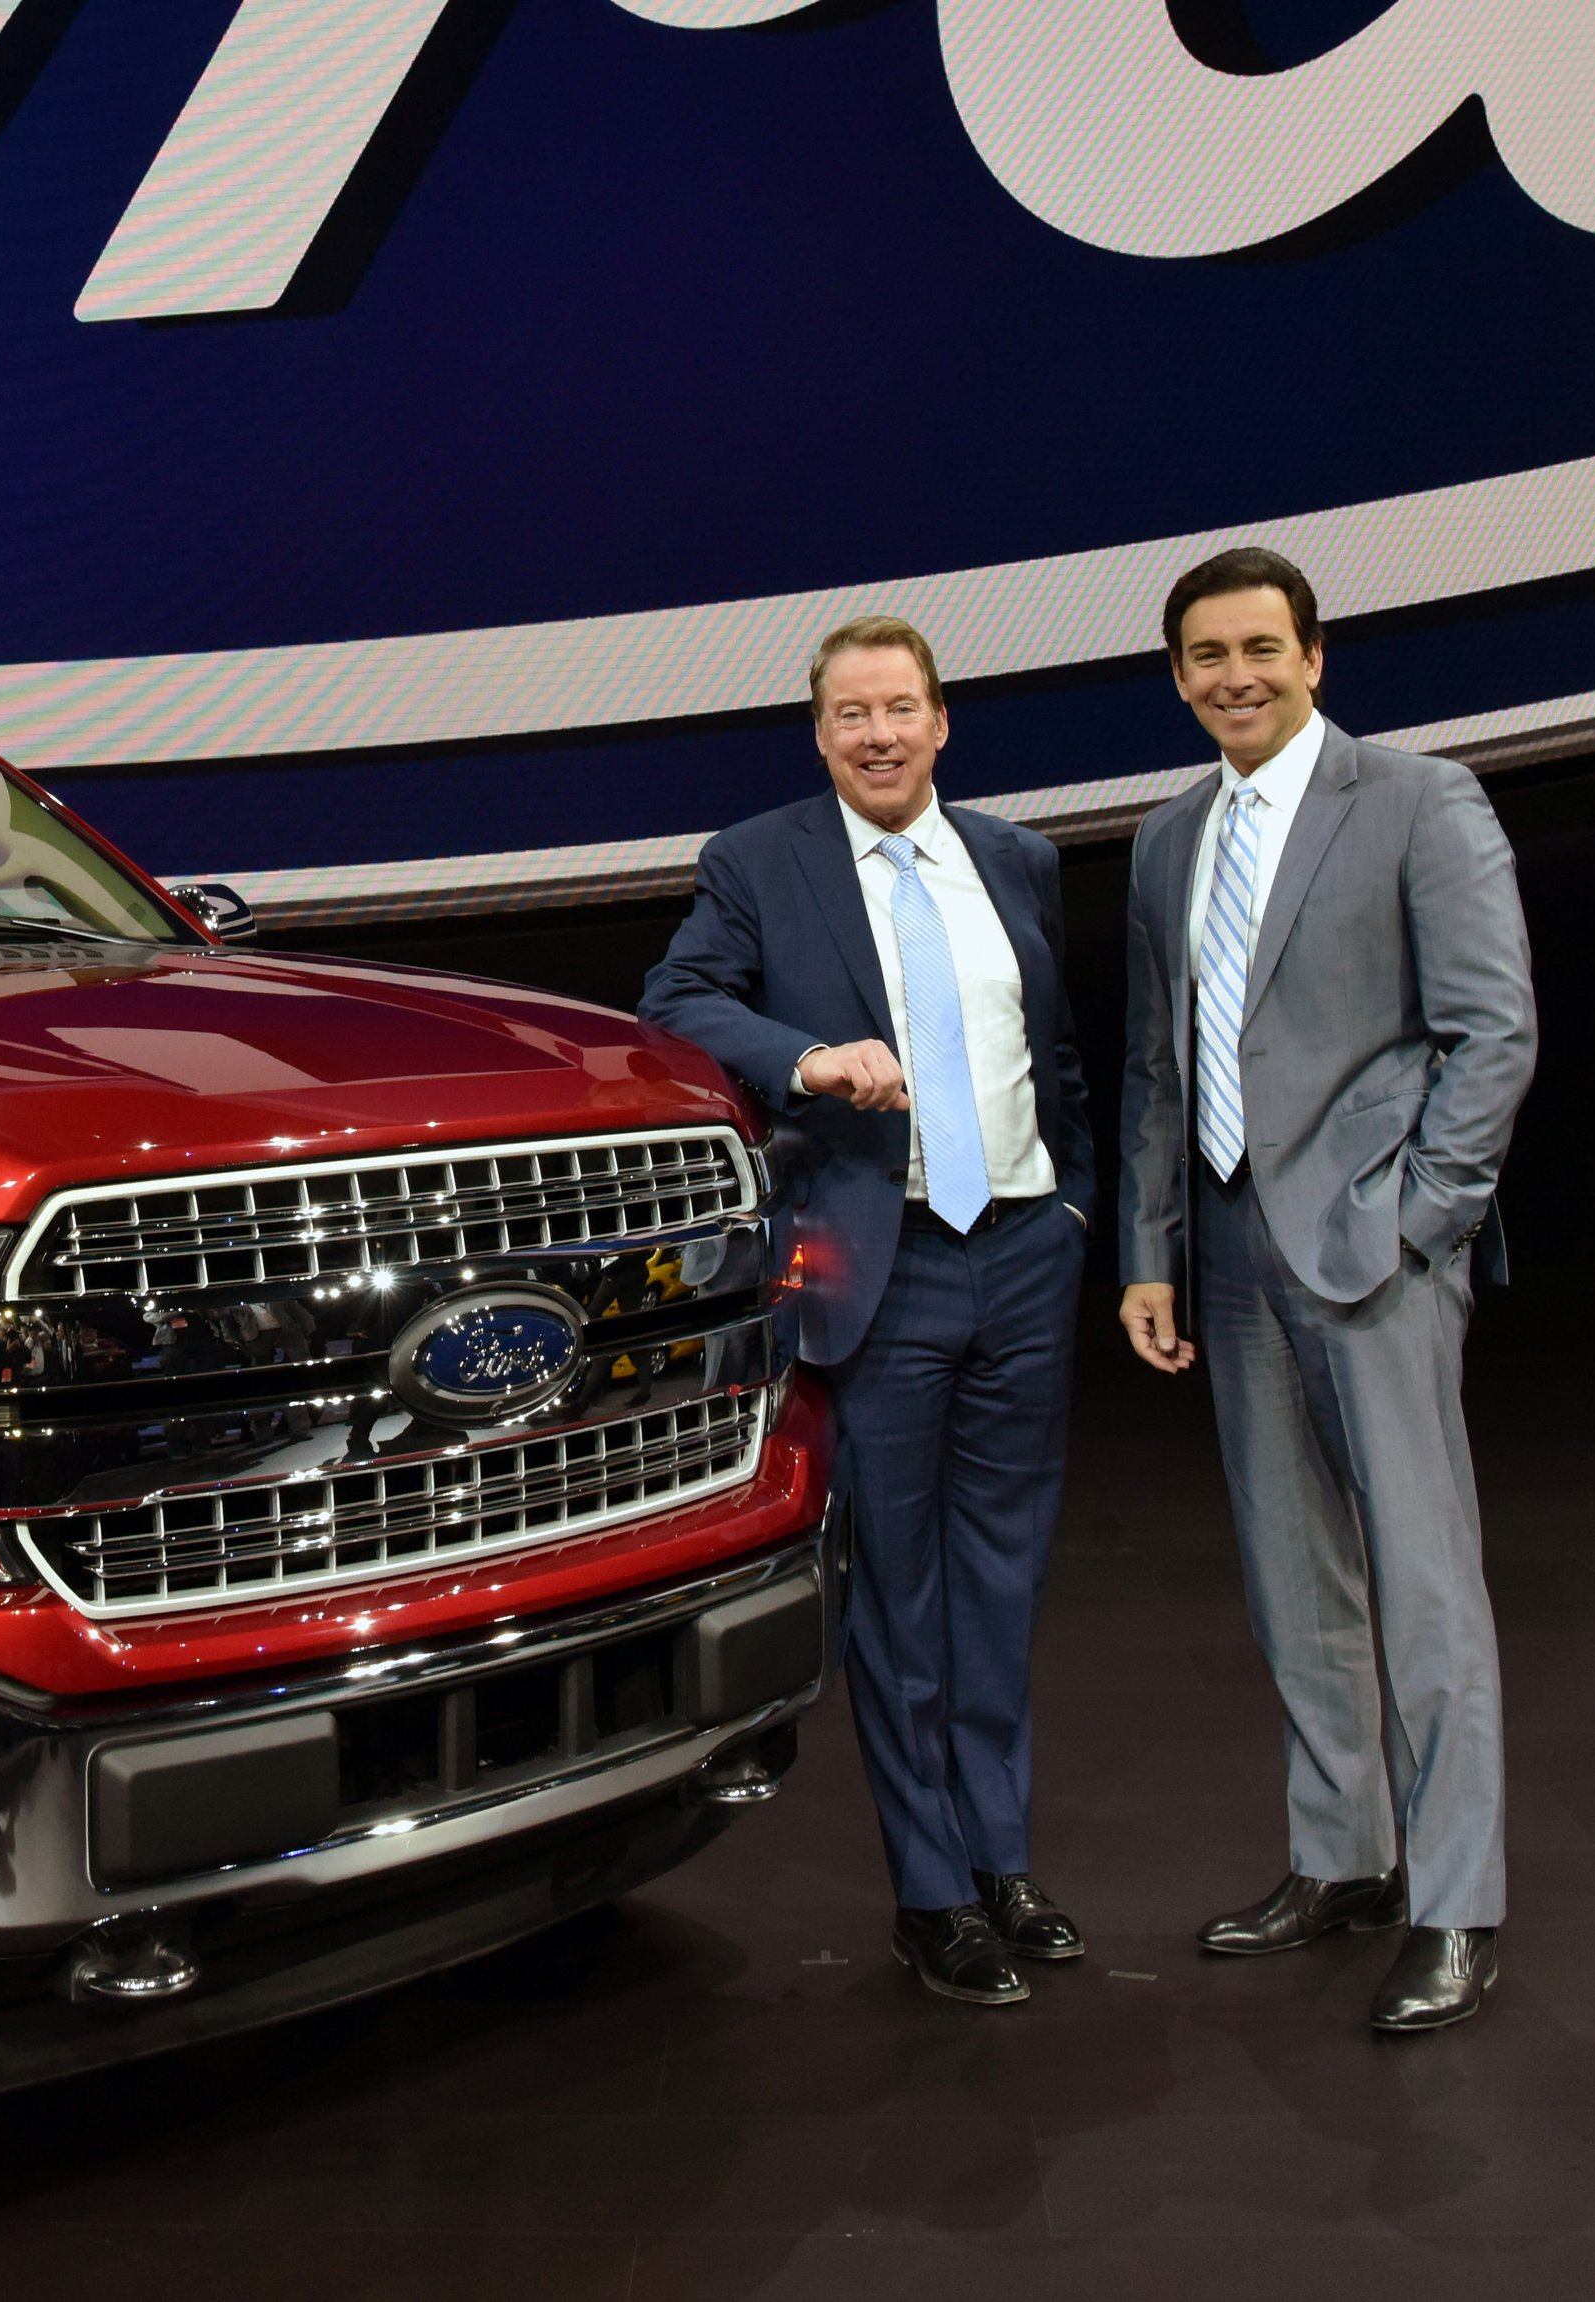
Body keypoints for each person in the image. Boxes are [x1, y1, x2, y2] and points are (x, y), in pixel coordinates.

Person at [644, 616, 1096, 2007]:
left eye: (901, 708)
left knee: (1001, 1579)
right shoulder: (761, 860)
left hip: (1021, 1252)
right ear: (821, 733)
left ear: (943, 721)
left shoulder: (1015, 857)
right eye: (852, 714)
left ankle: (1004, 1855)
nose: (880, 734)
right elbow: (674, 1002)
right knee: (900, 1598)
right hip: (883, 1268)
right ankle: (933, 1892)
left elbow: (1056, 1052)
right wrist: (810, 1060)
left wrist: (1074, 1208)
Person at [1116, 549, 1538, 2032]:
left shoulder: (1421, 800)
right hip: (1226, 1256)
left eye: (1258, 647)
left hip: (1371, 1248)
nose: (1233, 673)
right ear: (1177, 677)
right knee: (1293, 1575)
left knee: (1425, 1582)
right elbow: (1157, 1068)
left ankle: (1455, 1901)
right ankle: (1343, 1857)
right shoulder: (1169, 840)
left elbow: (1494, 1033)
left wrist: (1427, 1216)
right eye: (1204, 655)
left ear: (1314, 656)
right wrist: (1150, 1252)